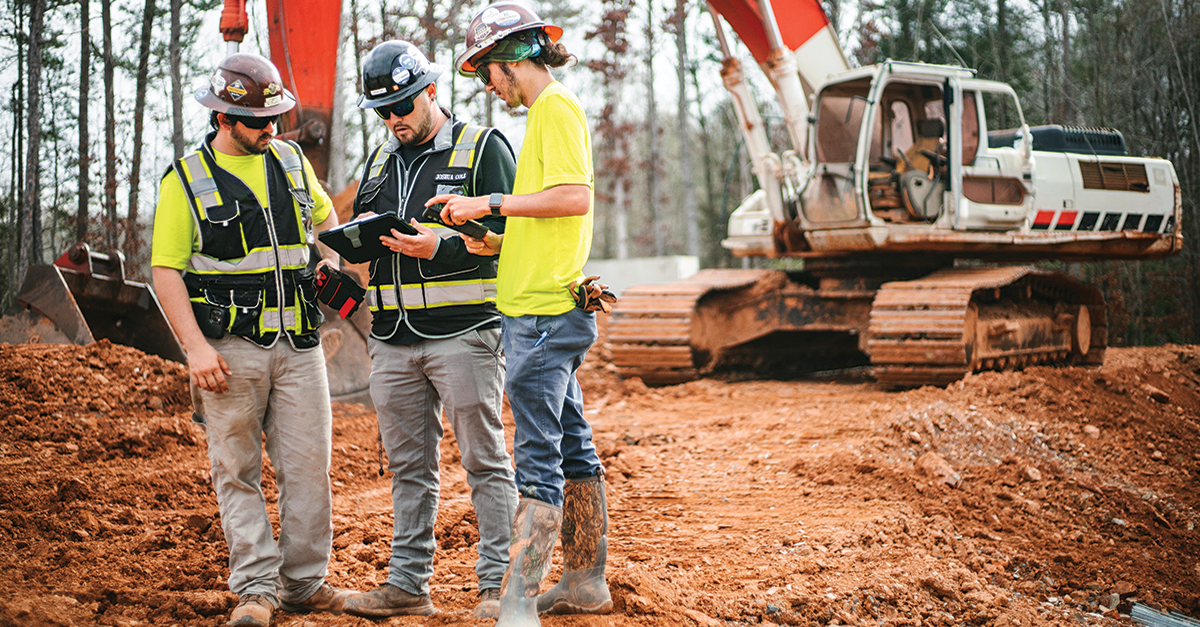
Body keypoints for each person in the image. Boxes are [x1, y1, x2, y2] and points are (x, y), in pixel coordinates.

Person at [150, 53, 352, 627]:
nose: (272, 130)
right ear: (224, 120)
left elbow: (324, 221)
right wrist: (195, 350)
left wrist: (331, 265)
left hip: (301, 345)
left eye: (275, 119)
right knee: (236, 470)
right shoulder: (185, 181)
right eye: (259, 122)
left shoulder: (289, 161)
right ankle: (258, 589)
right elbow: (165, 270)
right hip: (229, 350)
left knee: (309, 468)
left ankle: (306, 582)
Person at [430, 3, 613, 625]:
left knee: (537, 454)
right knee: (574, 447)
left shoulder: (554, 109)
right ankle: (586, 581)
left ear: (510, 59)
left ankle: (519, 599)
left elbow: (572, 198)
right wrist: (498, 240)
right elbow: (557, 218)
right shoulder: (548, 114)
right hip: (551, 305)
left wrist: (489, 200)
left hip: (539, 316)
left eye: (488, 70)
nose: (487, 85)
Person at [336, 41, 519, 620]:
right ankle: (409, 585)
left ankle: (499, 584)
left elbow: (516, 239)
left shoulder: (483, 147)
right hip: (392, 340)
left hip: (465, 332)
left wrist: (436, 246)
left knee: (485, 461)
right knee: (409, 469)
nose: (395, 120)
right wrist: (344, 277)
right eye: (383, 112)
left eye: (404, 107)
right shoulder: (378, 163)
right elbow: (368, 248)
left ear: (431, 92)